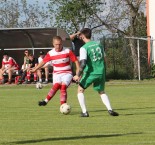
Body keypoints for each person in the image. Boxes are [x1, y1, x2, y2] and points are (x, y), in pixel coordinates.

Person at [73, 28, 119, 117]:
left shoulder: (84, 48)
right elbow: (105, 59)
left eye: (80, 35)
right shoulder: (99, 45)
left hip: (90, 73)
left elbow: (83, 64)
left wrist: (77, 75)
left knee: (80, 90)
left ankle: (84, 112)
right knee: (101, 91)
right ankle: (110, 109)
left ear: (82, 36)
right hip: (101, 72)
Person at [30, 36, 80, 106]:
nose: (58, 46)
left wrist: (78, 74)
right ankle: (45, 101)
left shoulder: (67, 51)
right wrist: (35, 69)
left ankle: (63, 105)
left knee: (63, 87)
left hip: (67, 73)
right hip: (56, 74)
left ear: (62, 43)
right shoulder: (50, 53)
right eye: (56, 44)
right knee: (56, 86)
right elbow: (43, 62)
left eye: (59, 44)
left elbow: (76, 61)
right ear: (53, 44)